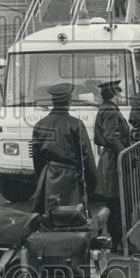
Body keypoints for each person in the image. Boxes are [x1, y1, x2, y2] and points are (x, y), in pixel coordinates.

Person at [31, 83, 97, 214]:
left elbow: (36, 158)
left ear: (53, 102)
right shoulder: (76, 124)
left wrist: (41, 179)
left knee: (50, 216)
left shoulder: (40, 124)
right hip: (70, 178)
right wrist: (92, 183)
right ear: (69, 101)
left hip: (49, 176)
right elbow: (86, 157)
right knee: (72, 216)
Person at [93, 80, 140, 254]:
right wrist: (126, 153)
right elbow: (111, 136)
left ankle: (116, 242)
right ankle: (124, 242)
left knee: (113, 203)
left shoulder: (105, 108)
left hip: (109, 159)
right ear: (113, 94)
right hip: (114, 161)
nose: (120, 96)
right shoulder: (111, 110)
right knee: (121, 202)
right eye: (118, 93)